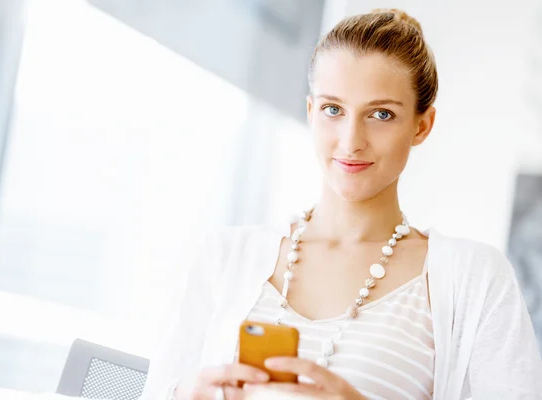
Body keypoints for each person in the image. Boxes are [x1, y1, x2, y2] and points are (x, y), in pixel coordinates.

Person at [142, 8, 542, 400]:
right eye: (333, 109)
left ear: (422, 126)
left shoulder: (475, 279)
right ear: (311, 112)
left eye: (381, 114)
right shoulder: (224, 256)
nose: (351, 140)